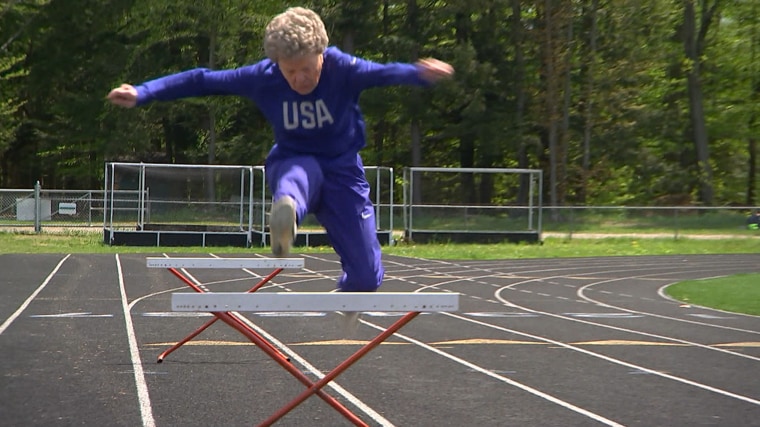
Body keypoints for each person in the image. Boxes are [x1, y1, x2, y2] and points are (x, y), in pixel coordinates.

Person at [107, 6, 454, 292]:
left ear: (322, 55)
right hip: (293, 162)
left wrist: (419, 73)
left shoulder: (344, 68)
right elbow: (202, 80)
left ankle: (350, 288)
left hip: (343, 169)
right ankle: (286, 215)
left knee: (367, 277)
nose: (300, 79)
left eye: (308, 69)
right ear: (277, 65)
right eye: (291, 72)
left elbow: (386, 73)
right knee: (297, 178)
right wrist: (144, 92)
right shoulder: (264, 76)